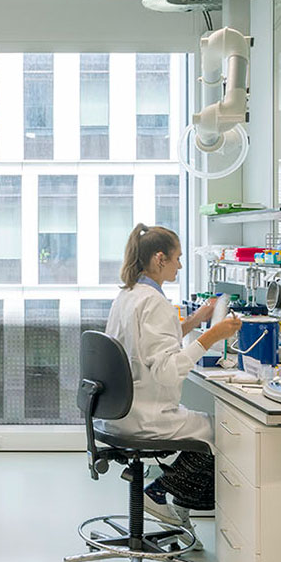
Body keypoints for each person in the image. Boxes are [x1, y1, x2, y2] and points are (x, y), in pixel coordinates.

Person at [103, 223, 241, 532]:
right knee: (223, 433)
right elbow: (166, 372)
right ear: (159, 258)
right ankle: (161, 491)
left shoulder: (129, 295)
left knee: (209, 427)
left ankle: (173, 498)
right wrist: (211, 336)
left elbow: (152, 341)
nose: (179, 266)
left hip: (118, 412)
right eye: (177, 258)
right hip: (146, 416)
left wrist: (196, 319)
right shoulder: (156, 303)